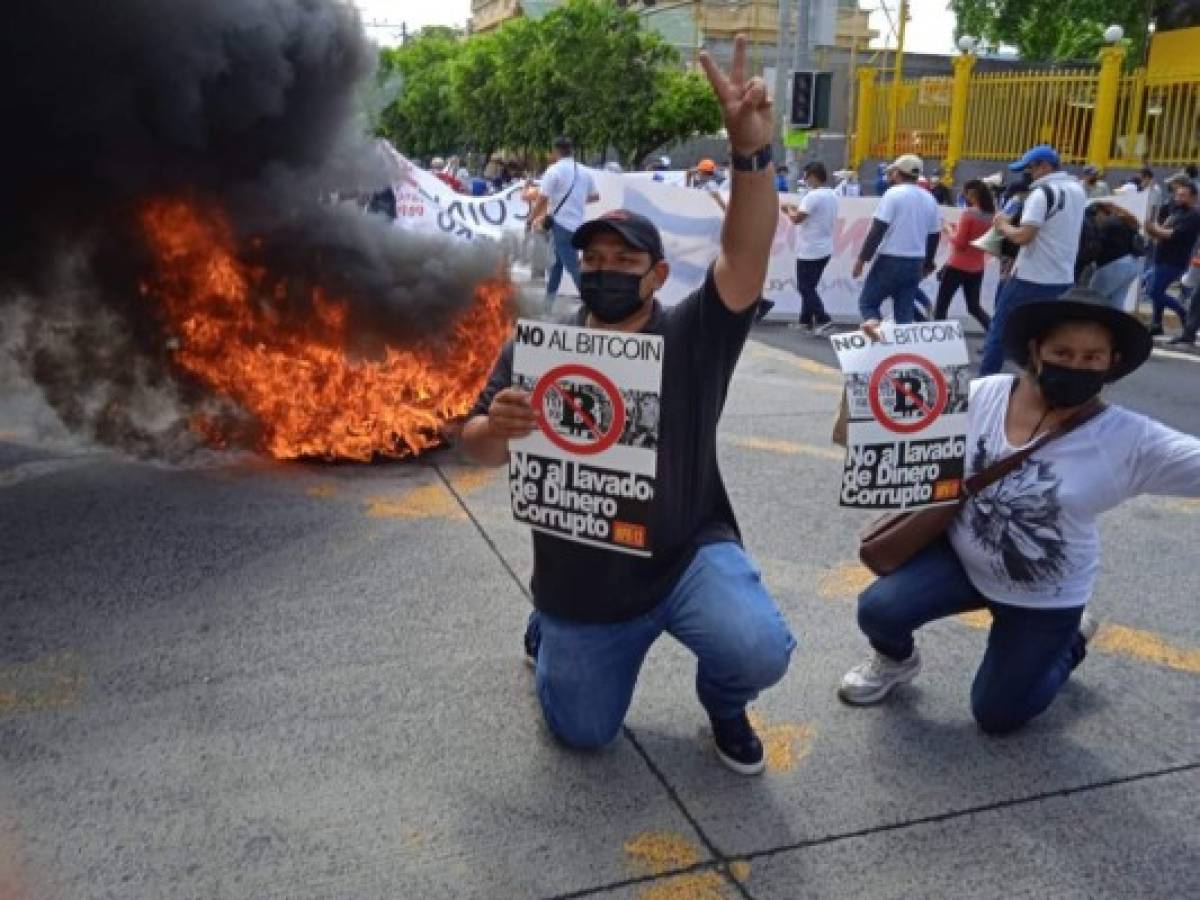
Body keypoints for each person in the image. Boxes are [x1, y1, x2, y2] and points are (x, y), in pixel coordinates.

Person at [460, 37, 794, 775]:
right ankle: (551, 631)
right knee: (583, 733)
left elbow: (745, 255)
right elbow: (476, 441)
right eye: (594, 260)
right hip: (585, 580)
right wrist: (501, 428)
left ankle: (725, 703)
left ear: (658, 274)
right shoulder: (539, 347)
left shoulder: (695, 333)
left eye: (625, 262)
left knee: (759, 648)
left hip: (686, 555)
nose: (605, 271)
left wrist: (750, 154)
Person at [839, 288, 1200, 732]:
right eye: (1063, 352)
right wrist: (866, 373)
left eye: (1093, 357)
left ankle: (1070, 643)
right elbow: (866, 440)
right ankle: (894, 661)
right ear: (1035, 350)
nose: (1077, 365)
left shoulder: (1131, 441)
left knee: (998, 715)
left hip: (1044, 596)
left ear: (1113, 363)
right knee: (878, 609)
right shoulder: (985, 394)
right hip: (962, 563)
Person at [979, 144, 1086, 375]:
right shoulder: (1077, 190)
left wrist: (1002, 224)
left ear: (1045, 166)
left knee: (1001, 331)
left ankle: (984, 385)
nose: (1028, 174)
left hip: (1031, 276)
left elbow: (1024, 236)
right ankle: (1042, 383)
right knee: (1046, 336)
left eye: (1030, 168)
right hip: (1062, 277)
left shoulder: (1041, 194)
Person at [852, 153, 941, 328]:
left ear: (898, 173)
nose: (890, 176)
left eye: (892, 172)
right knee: (904, 312)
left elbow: (878, 229)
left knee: (868, 303)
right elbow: (934, 235)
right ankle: (903, 351)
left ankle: (872, 323)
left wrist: (862, 259)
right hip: (916, 261)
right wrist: (928, 263)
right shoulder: (930, 199)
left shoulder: (893, 194)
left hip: (890, 258)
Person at [528, 137, 600, 313]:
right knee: (555, 267)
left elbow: (542, 199)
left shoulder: (554, 171)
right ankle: (547, 307)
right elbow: (595, 196)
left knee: (574, 269)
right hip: (576, 224)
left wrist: (531, 218)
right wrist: (577, 201)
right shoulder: (583, 171)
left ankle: (596, 307)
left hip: (560, 225)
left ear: (555, 151)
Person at [782, 161, 837, 334]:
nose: (805, 180)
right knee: (809, 287)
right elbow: (810, 213)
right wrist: (794, 209)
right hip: (824, 248)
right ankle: (805, 320)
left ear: (813, 176)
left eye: (806, 176)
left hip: (810, 250)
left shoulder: (813, 196)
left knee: (805, 288)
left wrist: (787, 210)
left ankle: (824, 319)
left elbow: (797, 219)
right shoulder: (831, 195)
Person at [934, 178, 994, 330]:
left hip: (957, 266)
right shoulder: (992, 216)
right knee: (974, 307)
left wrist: (948, 229)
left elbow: (960, 243)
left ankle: (940, 345)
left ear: (971, 195)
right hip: (977, 267)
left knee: (941, 307)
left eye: (965, 194)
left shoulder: (969, 214)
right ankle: (995, 336)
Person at [1144, 179, 1200, 337]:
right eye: (1178, 195)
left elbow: (1170, 234)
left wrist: (1151, 227)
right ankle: (1156, 323)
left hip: (1174, 261)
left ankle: (1184, 314)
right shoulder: (1176, 212)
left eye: (1183, 195)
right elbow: (1161, 231)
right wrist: (1154, 229)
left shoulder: (1193, 216)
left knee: (1153, 292)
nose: (1178, 198)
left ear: (1193, 198)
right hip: (1161, 257)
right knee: (1156, 290)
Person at [1087, 202, 1144, 308]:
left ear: (1100, 212)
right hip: (1133, 264)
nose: (1093, 220)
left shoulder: (1108, 224)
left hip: (1114, 264)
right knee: (1117, 303)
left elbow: (1096, 247)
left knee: (1091, 300)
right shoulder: (1125, 221)